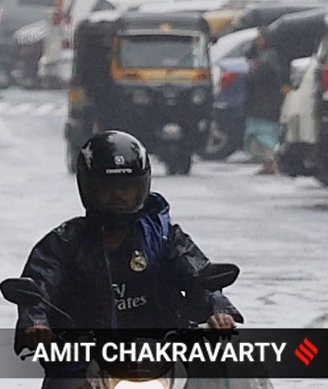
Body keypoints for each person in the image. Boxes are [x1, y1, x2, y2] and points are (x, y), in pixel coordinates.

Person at [13, 130, 242, 388]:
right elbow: (38, 286)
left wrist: (217, 306)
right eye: (108, 189)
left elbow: (197, 272)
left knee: (233, 371)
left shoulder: (163, 237)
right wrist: (37, 322)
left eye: (127, 188)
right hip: (82, 358)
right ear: (89, 188)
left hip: (160, 354)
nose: (118, 196)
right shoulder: (63, 242)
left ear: (141, 188)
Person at [243, 31, 286, 174]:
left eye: (260, 38)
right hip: (259, 103)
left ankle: (272, 162)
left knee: (264, 134)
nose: (257, 41)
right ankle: (268, 163)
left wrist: (255, 70)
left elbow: (260, 76)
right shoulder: (261, 55)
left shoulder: (270, 57)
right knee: (256, 135)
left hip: (266, 104)